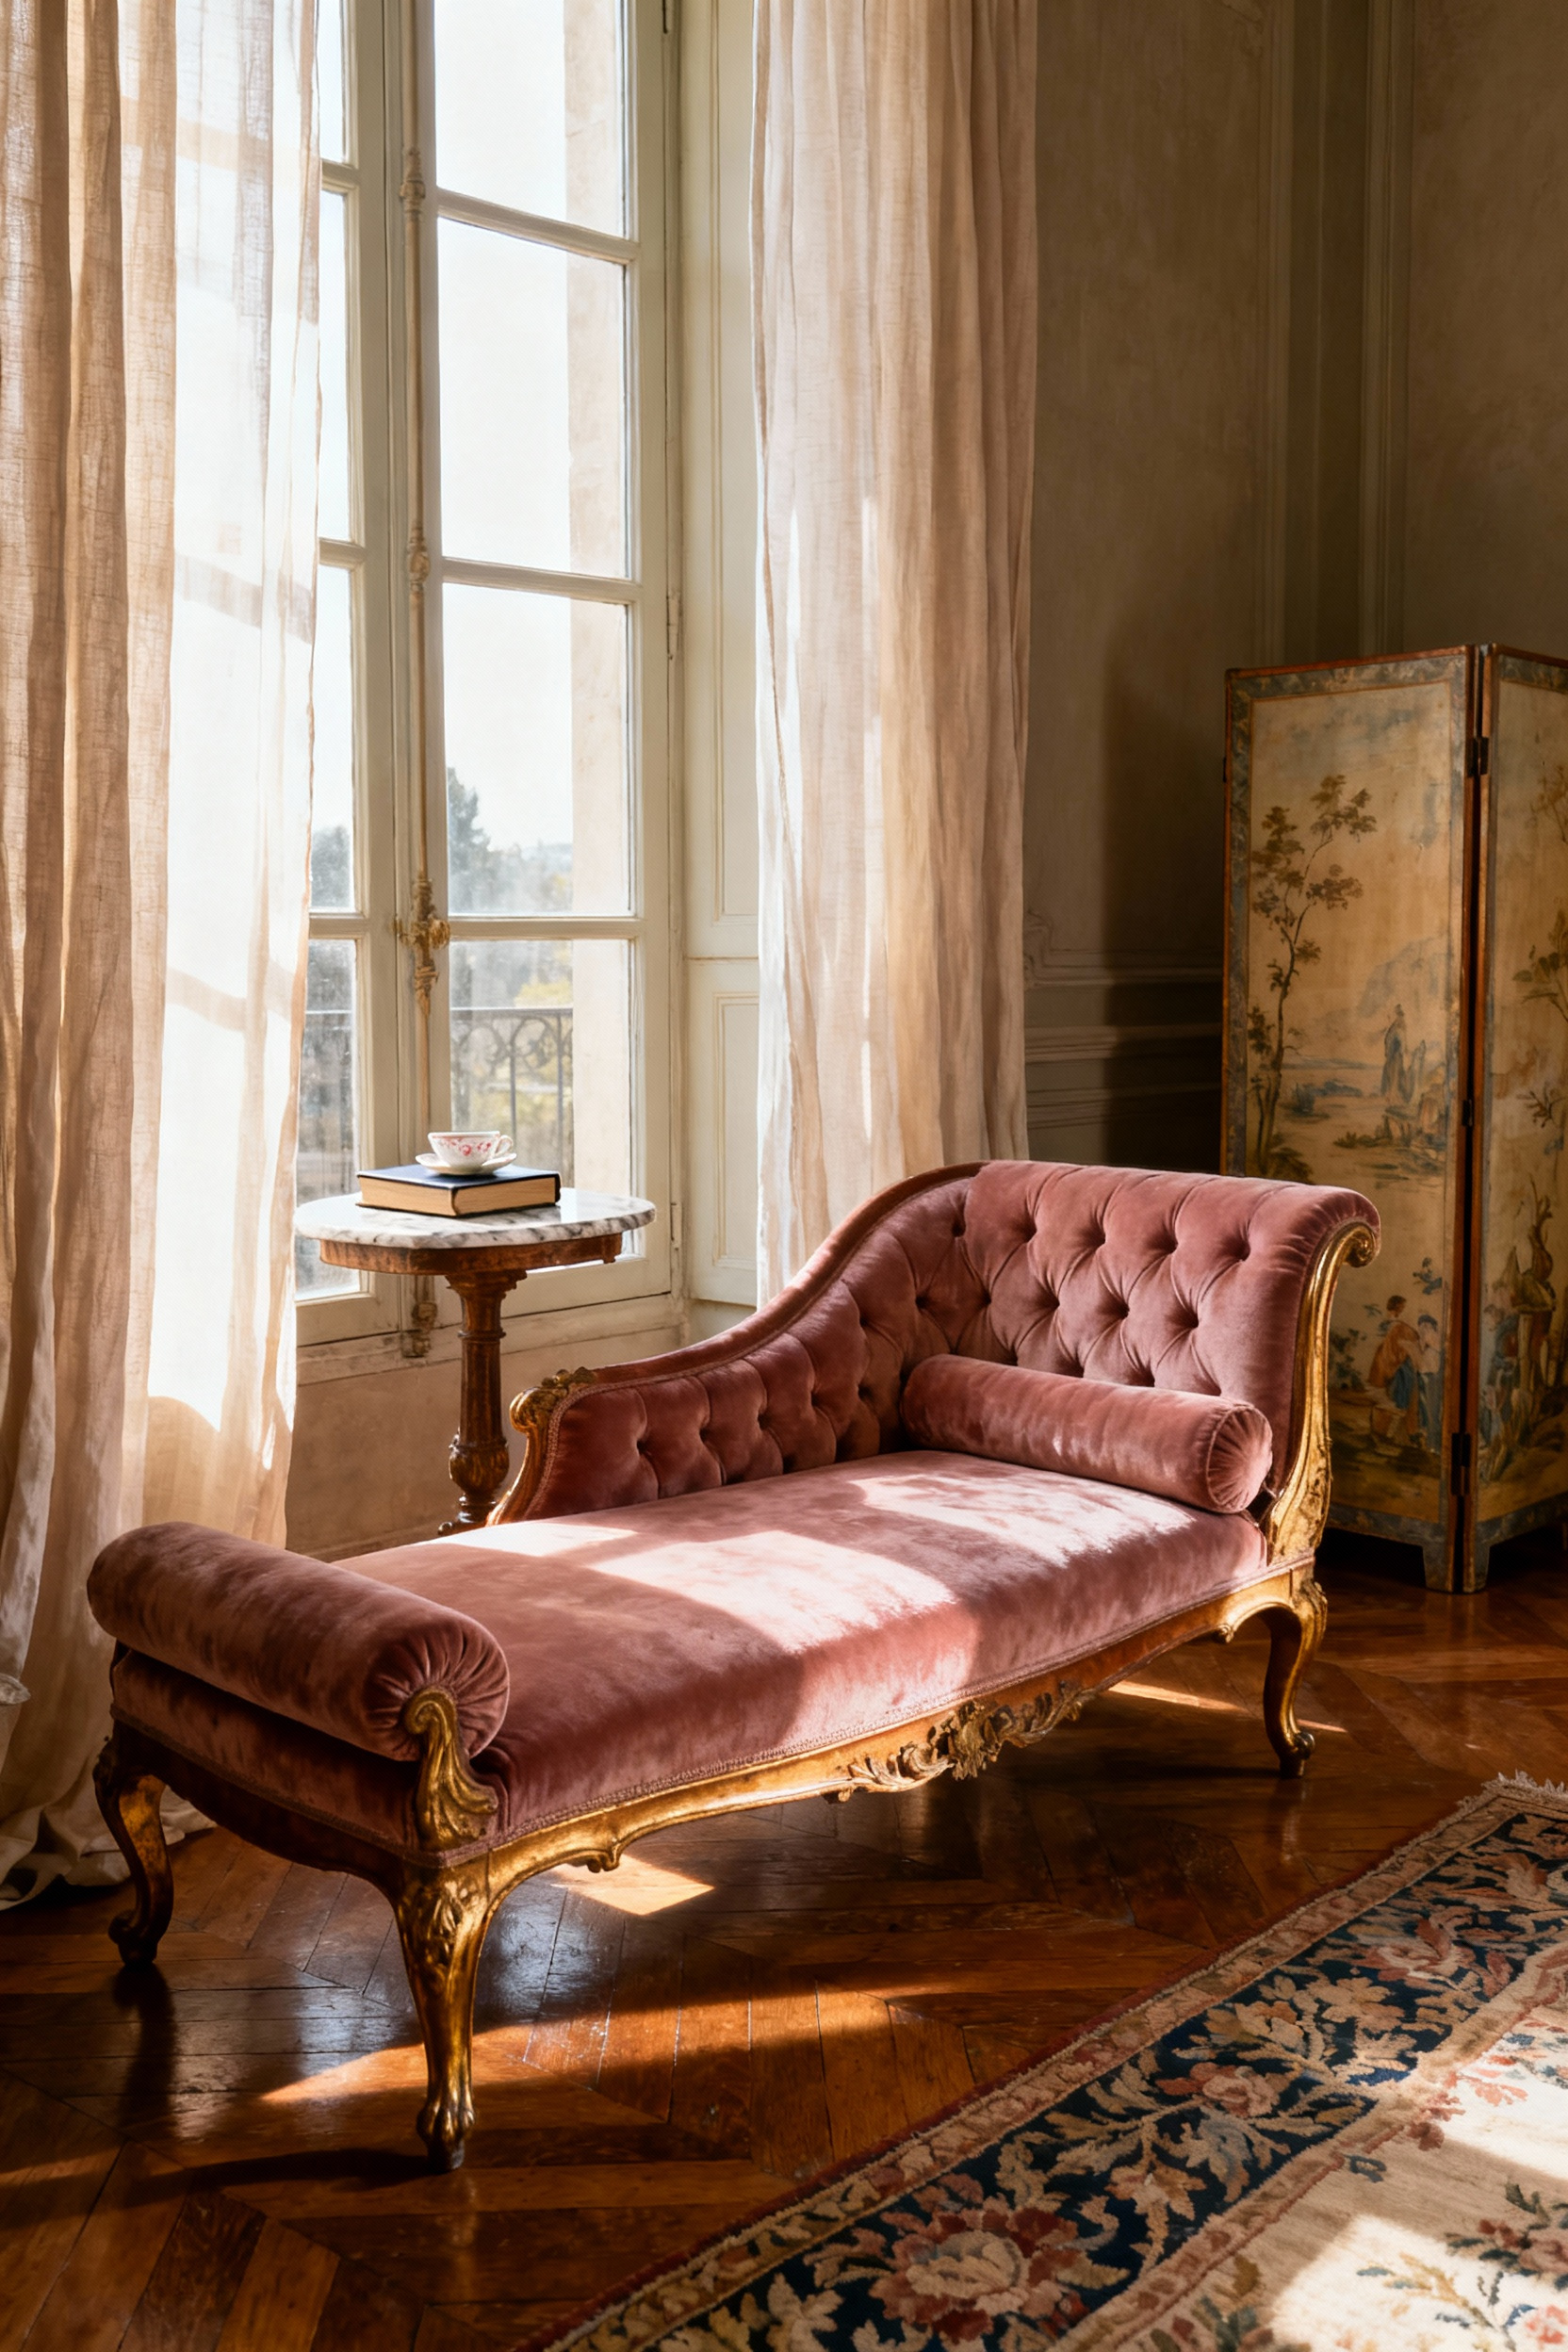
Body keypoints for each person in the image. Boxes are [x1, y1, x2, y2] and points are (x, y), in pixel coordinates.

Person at [1368, 1294, 1419, 1445]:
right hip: (1390, 1360)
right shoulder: (1394, 1325)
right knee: (1393, 1399)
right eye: (1401, 1307)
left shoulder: (1398, 1325)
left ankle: (1389, 1434)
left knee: (1396, 1400)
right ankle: (1383, 1433)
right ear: (1397, 1308)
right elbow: (1391, 1345)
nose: (1403, 1309)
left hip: (1393, 1360)